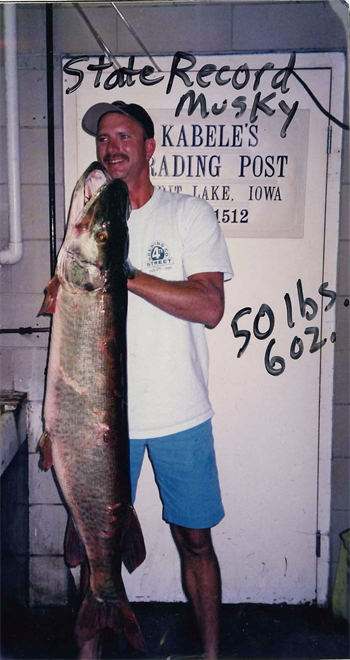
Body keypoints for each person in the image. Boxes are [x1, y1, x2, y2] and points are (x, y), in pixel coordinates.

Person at [79, 100, 233, 660]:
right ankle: (87, 654)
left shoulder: (187, 214)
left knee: (195, 540)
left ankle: (212, 653)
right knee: (97, 546)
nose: (111, 146)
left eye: (124, 135)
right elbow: (62, 299)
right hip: (100, 424)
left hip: (178, 413)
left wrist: (127, 273)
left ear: (149, 147)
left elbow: (211, 305)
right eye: (103, 137)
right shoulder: (90, 220)